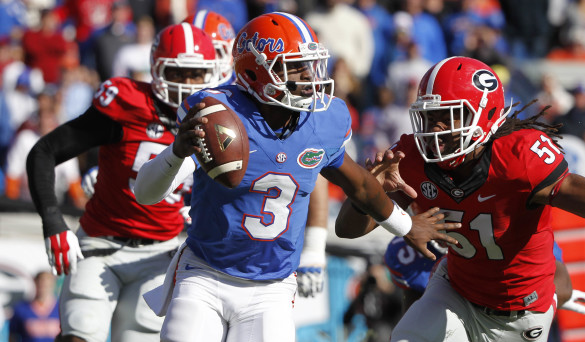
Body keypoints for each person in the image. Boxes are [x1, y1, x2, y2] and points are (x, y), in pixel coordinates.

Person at [133, 12, 460, 341]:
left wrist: (406, 227)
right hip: (205, 273)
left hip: (270, 287)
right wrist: (176, 151)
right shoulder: (219, 114)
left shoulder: (320, 121)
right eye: (296, 67)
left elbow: (360, 184)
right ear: (252, 71)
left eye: (311, 65)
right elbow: (145, 195)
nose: (310, 76)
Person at [335, 56, 585, 342]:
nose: (435, 129)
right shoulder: (413, 157)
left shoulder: (519, 158)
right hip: (455, 291)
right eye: (430, 117)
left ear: (485, 117)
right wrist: (371, 191)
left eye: (448, 116)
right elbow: (347, 229)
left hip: (521, 316)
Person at [25, 23, 220, 342]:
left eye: (196, 74)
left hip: (160, 254)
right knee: (79, 331)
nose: (187, 84)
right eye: (178, 72)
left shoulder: (218, 117)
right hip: (102, 243)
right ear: (156, 71)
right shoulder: (126, 102)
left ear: (211, 74)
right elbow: (45, 151)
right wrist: (52, 221)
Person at [384, 237, 585, 316]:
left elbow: (560, 279)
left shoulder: (503, 229)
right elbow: (412, 305)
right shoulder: (404, 253)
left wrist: (546, 297)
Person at [8, 271, 60, 342]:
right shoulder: (21, 309)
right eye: (41, 284)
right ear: (35, 283)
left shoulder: (61, 309)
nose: (43, 287)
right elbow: (12, 336)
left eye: (46, 285)